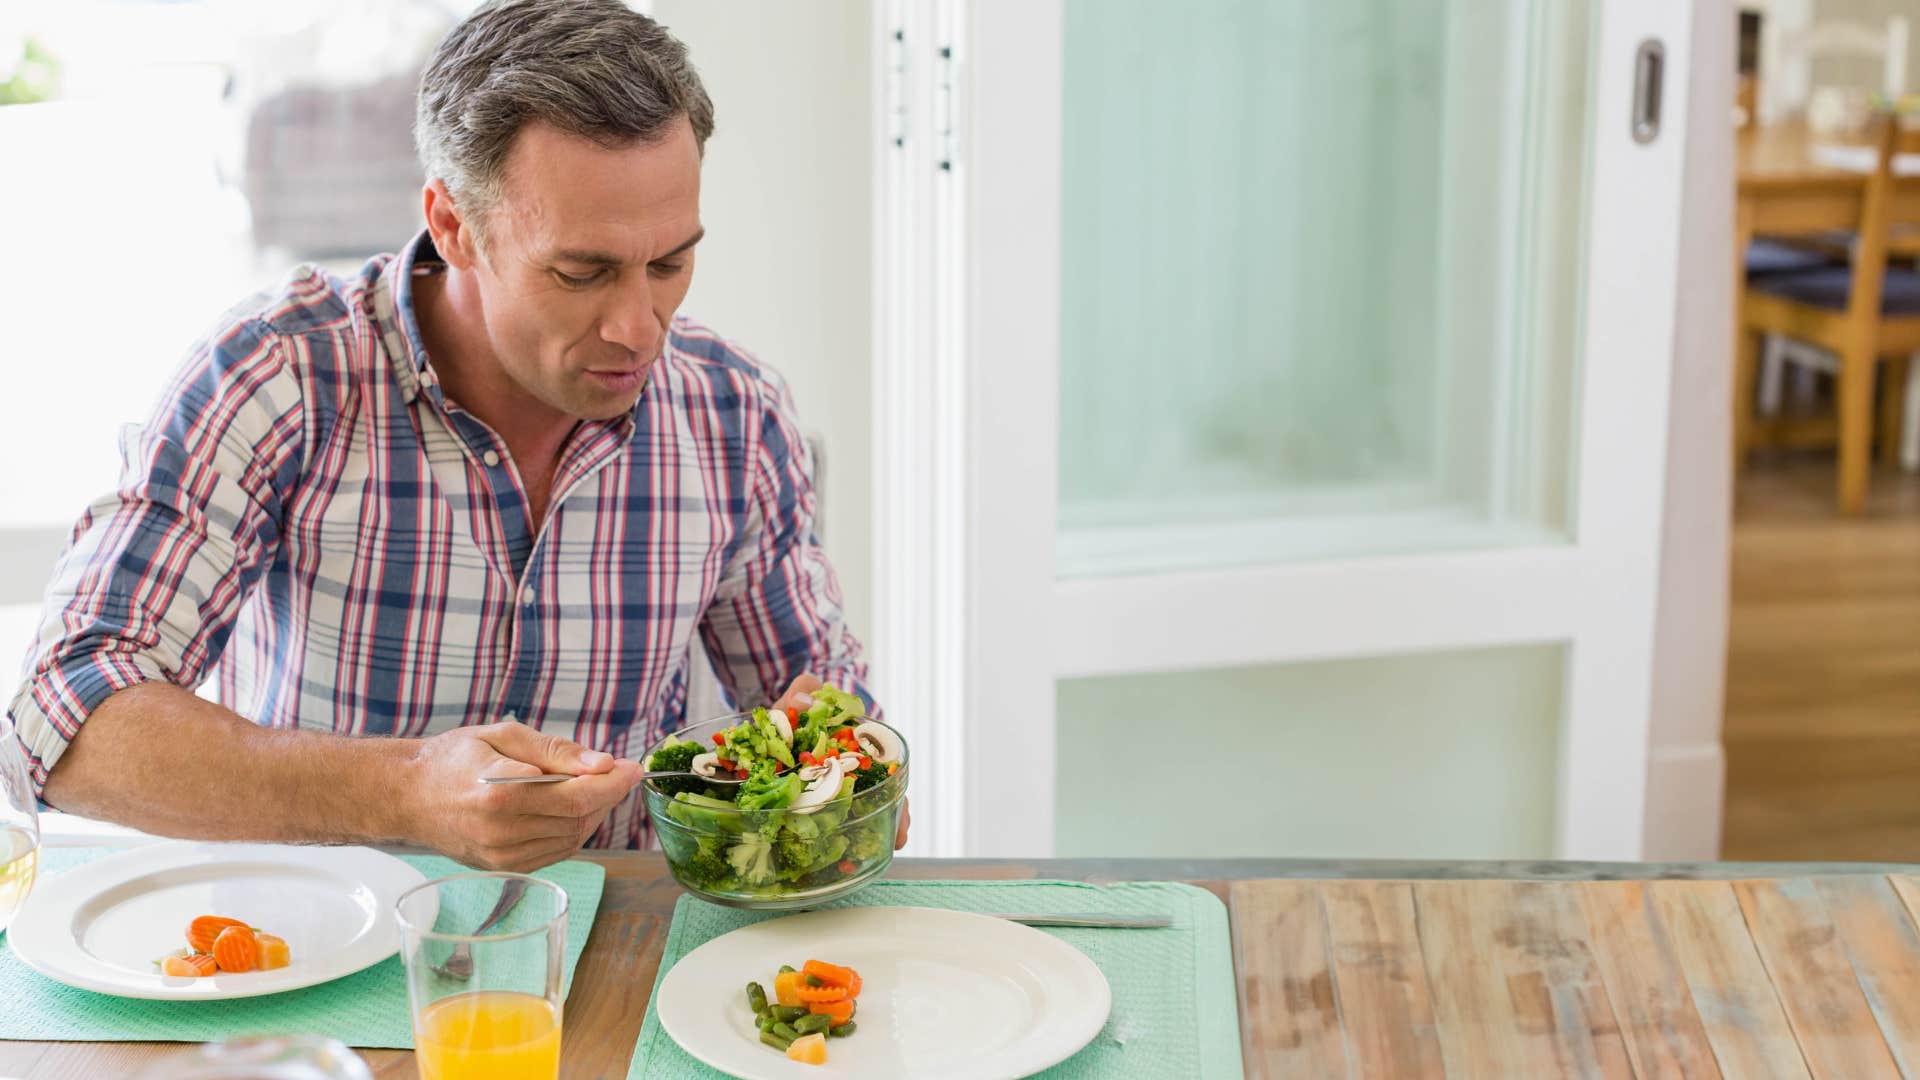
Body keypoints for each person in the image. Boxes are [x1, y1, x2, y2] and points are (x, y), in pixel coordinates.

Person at [5, 0, 903, 871]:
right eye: (582, 271)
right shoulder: (278, 377)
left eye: (669, 262)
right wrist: (403, 791)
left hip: (616, 953)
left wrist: (849, 776)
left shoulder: (732, 412)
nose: (640, 326)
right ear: (452, 225)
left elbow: (824, 708)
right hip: (311, 960)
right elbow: (63, 721)